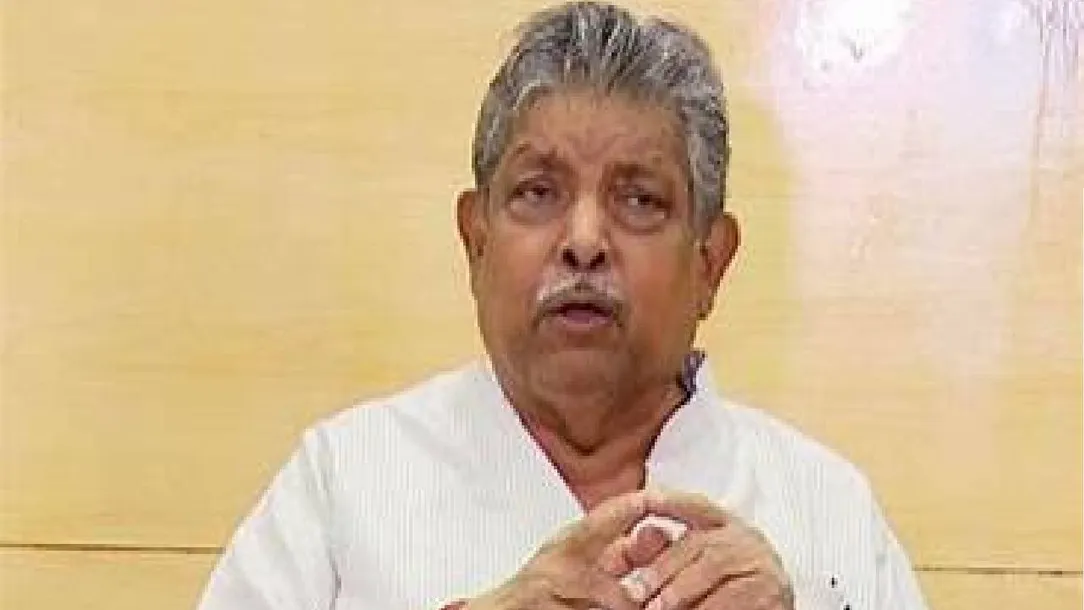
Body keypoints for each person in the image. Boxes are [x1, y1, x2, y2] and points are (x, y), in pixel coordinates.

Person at [196, 2, 929, 609]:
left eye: (639, 200)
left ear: (710, 262)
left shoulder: (826, 511)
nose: (583, 241)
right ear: (476, 241)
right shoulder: (344, 483)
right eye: (537, 192)